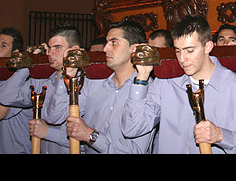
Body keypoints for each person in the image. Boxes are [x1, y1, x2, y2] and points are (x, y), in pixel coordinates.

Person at [121, 15, 236, 154]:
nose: (182, 59)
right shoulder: (166, 84)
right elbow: (132, 129)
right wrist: (142, 77)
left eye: (189, 50)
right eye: (178, 51)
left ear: (208, 47)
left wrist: (221, 135)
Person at [42, 19, 155, 154]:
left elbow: (134, 150)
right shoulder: (93, 85)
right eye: (107, 42)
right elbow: (54, 117)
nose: (105, 48)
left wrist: (91, 136)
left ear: (134, 48)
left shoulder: (149, 90)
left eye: (114, 42)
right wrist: (68, 74)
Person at [0, 24, 83, 154]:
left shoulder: (84, 84)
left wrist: (48, 133)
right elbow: (5, 97)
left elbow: (86, 143)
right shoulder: (43, 82)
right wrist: (27, 64)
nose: (50, 53)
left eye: (57, 48)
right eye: (49, 48)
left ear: (74, 50)